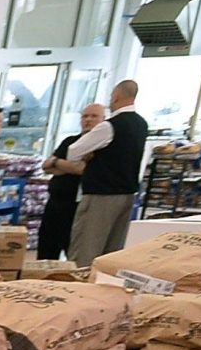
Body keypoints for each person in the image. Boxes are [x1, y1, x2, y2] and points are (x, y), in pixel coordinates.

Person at [59, 78, 149, 270]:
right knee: (112, 251)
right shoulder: (141, 124)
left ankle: (77, 289)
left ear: (116, 97)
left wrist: (89, 154)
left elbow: (74, 151)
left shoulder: (109, 126)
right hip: (127, 194)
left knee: (86, 248)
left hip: (101, 194)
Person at [35, 101, 104, 263]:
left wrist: (58, 163)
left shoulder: (102, 146)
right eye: (85, 116)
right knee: (46, 249)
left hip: (78, 207)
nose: (88, 120)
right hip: (54, 203)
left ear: (103, 120)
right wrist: (65, 164)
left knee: (73, 250)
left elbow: (82, 170)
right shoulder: (70, 141)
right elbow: (46, 165)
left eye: (94, 116)